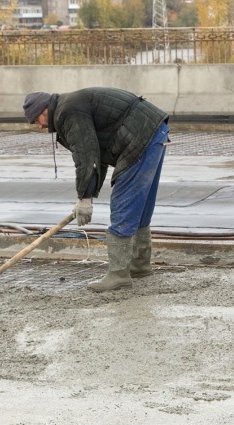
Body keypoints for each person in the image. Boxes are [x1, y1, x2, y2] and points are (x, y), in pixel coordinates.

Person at [23, 87, 169, 293]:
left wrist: (84, 198)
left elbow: (87, 156)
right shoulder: (69, 106)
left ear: (44, 109)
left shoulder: (67, 112)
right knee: (139, 202)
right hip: (153, 129)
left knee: (124, 202)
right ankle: (140, 265)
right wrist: (87, 195)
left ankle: (119, 274)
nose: (38, 126)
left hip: (139, 135)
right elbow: (96, 156)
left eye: (36, 120)